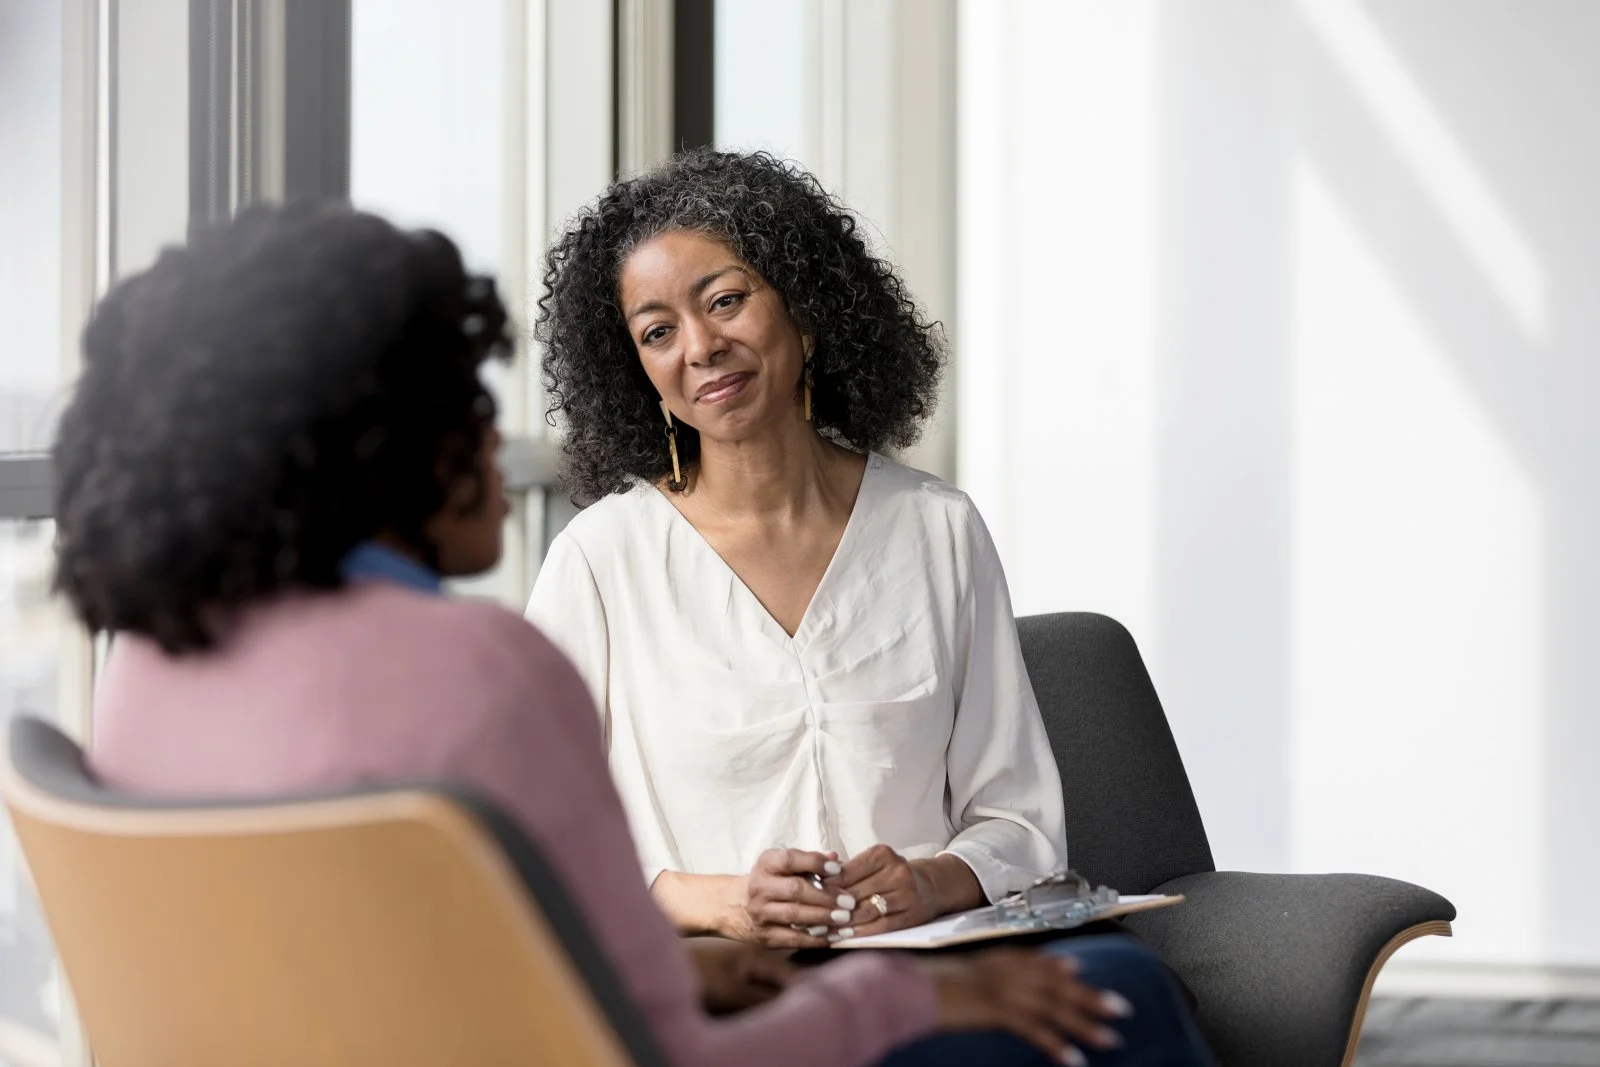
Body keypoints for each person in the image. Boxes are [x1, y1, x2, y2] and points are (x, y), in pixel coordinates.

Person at [55, 202, 1214, 1067]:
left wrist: (720, 954)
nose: (504, 452)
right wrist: (913, 1000)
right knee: (1118, 992)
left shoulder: (149, 672)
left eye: (724, 301)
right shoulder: (488, 663)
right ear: (373, 442)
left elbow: (509, 943)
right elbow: (650, 1038)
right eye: (466, 404)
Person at [526, 149, 1065, 949]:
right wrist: (720, 902)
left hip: (933, 969)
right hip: (721, 987)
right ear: (636, 368)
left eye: (728, 300)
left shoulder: (938, 531)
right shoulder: (600, 563)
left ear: (806, 311)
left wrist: (930, 881)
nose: (701, 346)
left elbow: (1019, 819)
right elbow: (534, 841)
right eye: (658, 331)